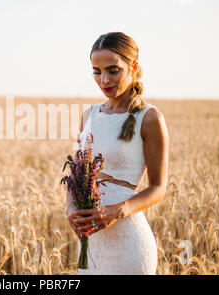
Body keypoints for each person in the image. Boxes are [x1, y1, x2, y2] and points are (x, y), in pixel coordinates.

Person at [66, 32, 169, 274]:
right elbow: (77, 176)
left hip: (129, 243)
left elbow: (158, 188)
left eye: (113, 70)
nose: (104, 80)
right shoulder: (89, 116)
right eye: (96, 71)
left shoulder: (150, 117)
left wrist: (116, 211)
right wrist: (70, 210)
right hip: (91, 244)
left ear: (133, 67)